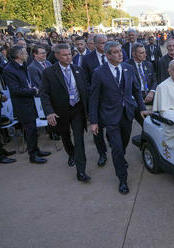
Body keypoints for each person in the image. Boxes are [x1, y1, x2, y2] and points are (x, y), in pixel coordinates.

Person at [89, 41, 148, 194]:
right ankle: (122, 179)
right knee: (117, 148)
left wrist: (141, 108)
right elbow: (94, 98)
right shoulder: (99, 72)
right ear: (107, 55)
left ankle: (120, 156)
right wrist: (94, 121)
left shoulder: (128, 68)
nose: (120, 54)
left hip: (127, 113)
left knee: (124, 143)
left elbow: (136, 90)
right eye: (115, 52)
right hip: (110, 116)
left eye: (120, 51)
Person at [40, 43, 91, 182]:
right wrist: (49, 112)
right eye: (65, 55)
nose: (68, 57)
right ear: (57, 56)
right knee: (65, 136)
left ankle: (81, 171)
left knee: (79, 139)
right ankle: (71, 153)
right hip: (60, 111)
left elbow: (85, 90)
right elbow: (44, 94)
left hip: (77, 110)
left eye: (70, 54)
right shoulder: (49, 72)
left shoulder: (78, 70)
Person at [3, 46, 51, 163]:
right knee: (30, 129)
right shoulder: (9, 69)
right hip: (22, 104)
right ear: (18, 55)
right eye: (24, 53)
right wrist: (33, 91)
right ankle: (32, 155)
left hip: (29, 101)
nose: (27, 54)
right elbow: (15, 90)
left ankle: (36, 149)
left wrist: (31, 90)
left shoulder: (22, 65)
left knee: (33, 129)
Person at [81, 34, 108, 167]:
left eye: (106, 42)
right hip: (96, 100)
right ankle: (102, 153)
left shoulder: (114, 53)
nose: (105, 45)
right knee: (98, 129)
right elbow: (84, 80)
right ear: (95, 44)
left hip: (112, 99)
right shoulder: (87, 59)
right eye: (102, 43)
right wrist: (92, 92)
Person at [126, 43, 157, 126]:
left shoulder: (149, 64)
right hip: (136, 98)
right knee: (145, 122)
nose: (145, 55)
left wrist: (152, 92)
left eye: (145, 52)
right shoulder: (127, 66)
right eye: (141, 53)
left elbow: (154, 80)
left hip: (150, 95)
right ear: (134, 54)